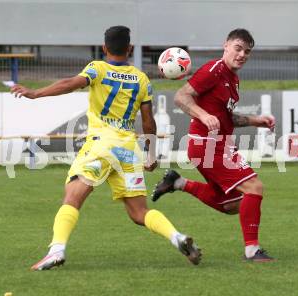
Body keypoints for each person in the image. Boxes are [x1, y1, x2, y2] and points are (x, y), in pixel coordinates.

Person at [11, 26, 201, 270]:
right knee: (139, 212)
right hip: (129, 150)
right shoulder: (141, 79)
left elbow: (72, 83)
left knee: (72, 196)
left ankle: (56, 250)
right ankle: (177, 237)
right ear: (130, 49)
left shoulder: (97, 68)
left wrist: (35, 93)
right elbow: (148, 122)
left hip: (101, 145)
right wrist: (151, 153)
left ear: (104, 48)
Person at [152, 28, 275, 262]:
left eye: (247, 52)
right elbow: (181, 96)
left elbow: (226, 118)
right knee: (254, 188)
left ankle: (178, 182)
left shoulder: (233, 78)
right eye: (238, 48)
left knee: (231, 205)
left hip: (217, 144)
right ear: (226, 46)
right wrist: (202, 115)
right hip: (207, 144)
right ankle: (252, 250)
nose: (242, 55)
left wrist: (255, 121)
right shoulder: (213, 69)